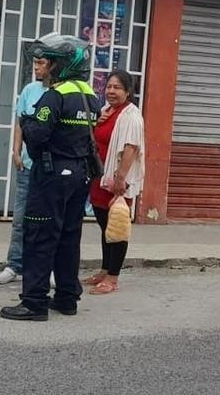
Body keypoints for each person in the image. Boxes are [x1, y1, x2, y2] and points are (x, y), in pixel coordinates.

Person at [0, 33, 102, 322]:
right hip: (80, 176)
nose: (42, 66)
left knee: (39, 236)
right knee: (69, 238)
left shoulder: (54, 96)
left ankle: (34, 302)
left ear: (60, 65)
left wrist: (28, 121)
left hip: (52, 175)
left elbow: (38, 136)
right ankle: (67, 298)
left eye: (48, 62)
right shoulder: (89, 96)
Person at [82, 70, 144, 295]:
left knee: (117, 228)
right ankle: (105, 269)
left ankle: (113, 278)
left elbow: (131, 148)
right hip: (101, 177)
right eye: (108, 87)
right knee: (104, 226)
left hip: (117, 181)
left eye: (117, 87)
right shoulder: (106, 112)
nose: (111, 91)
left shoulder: (131, 115)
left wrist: (121, 179)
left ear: (128, 91)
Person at [0, 59, 48, 285]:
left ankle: (45, 267)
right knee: (20, 218)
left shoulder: (60, 93)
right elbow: (20, 124)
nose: (36, 67)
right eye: (35, 63)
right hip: (27, 165)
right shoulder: (29, 90)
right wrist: (16, 151)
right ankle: (14, 264)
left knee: (48, 221)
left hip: (49, 168)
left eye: (41, 63)